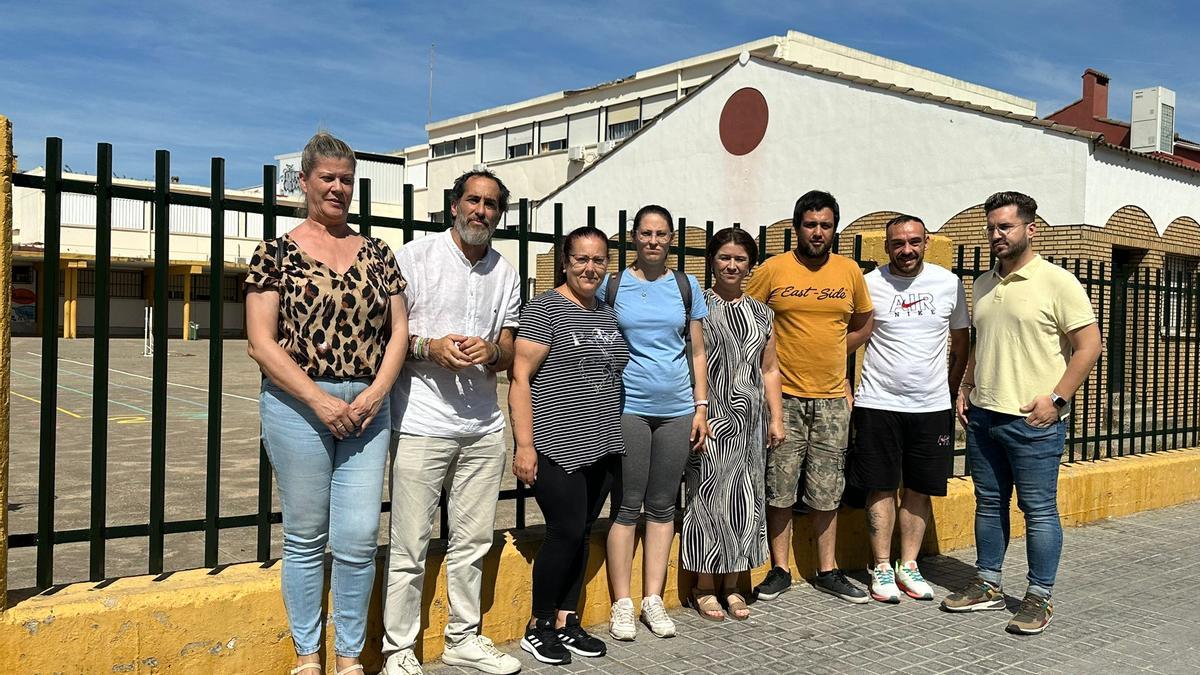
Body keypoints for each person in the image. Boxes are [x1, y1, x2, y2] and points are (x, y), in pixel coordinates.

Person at [245, 131, 408, 675]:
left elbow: (399, 333)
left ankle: (350, 658)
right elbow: (260, 342)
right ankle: (308, 656)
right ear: (306, 182)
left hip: (367, 404)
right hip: (298, 405)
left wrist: (373, 395)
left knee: (359, 536)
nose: (337, 189)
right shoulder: (275, 252)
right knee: (306, 534)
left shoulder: (379, 253)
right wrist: (320, 401)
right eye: (327, 178)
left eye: (346, 179)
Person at [382, 170, 522, 675]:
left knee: (473, 543)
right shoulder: (414, 258)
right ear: (454, 206)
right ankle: (399, 650)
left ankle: (464, 637)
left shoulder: (505, 272)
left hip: (483, 427)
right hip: (421, 421)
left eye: (490, 204)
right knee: (410, 545)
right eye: (472, 200)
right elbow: (387, 337)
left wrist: (492, 351)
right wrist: (429, 347)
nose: (480, 211)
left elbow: (509, 347)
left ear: (498, 215)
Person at [943, 192, 1101, 635]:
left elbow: (1090, 345)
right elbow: (981, 342)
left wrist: (1059, 399)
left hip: (1033, 422)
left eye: (1005, 227)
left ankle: (1039, 596)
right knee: (989, 505)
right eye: (992, 227)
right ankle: (988, 584)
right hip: (985, 417)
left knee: (1039, 510)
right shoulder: (982, 284)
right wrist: (967, 386)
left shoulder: (1058, 282)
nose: (997, 235)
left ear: (1031, 229)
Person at [509, 226, 630, 666]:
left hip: (602, 443)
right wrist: (525, 445)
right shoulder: (546, 309)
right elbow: (520, 379)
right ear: (565, 261)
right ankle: (538, 626)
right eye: (581, 259)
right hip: (556, 443)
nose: (590, 268)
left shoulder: (607, 314)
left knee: (580, 532)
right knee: (563, 531)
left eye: (598, 260)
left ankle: (566, 619)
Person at [745, 190, 874, 604]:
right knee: (779, 485)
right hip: (783, 399)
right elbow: (748, 319)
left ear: (834, 228)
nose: (818, 232)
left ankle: (827, 569)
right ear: (796, 227)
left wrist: (837, 352)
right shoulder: (774, 269)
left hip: (833, 399)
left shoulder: (849, 271)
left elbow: (863, 322)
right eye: (810, 224)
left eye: (825, 225)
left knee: (827, 487)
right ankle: (779, 569)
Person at [598, 204, 710, 641]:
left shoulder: (686, 285)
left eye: (661, 234)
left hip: (678, 408)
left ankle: (653, 599)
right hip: (627, 406)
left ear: (670, 240)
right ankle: (622, 604)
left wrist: (701, 406)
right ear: (633, 237)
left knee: (663, 505)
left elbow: (697, 351)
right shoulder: (615, 285)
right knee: (627, 506)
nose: (653, 241)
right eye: (645, 233)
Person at [845, 215, 969, 603]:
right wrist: (846, 386)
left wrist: (949, 391)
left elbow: (962, 344)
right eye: (898, 243)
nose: (906, 250)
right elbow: (846, 337)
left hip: (931, 407)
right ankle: (882, 565)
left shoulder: (948, 284)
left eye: (914, 241)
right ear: (886, 246)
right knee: (879, 485)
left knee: (919, 487)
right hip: (878, 402)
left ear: (926, 242)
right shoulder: (869, 284)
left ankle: (909, 565)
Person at [680, 227, 785, 622]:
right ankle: (704, 586)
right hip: (709, 418)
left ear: (750, 265)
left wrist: (776, 417)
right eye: (724, 256)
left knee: (744, 502)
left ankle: (733, 585)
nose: (731, 265)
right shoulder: (698, 306)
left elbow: (770, 368)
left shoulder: (762, 312)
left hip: (749, 423)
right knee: (707, 501)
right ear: (712, 260)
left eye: (739, 258)